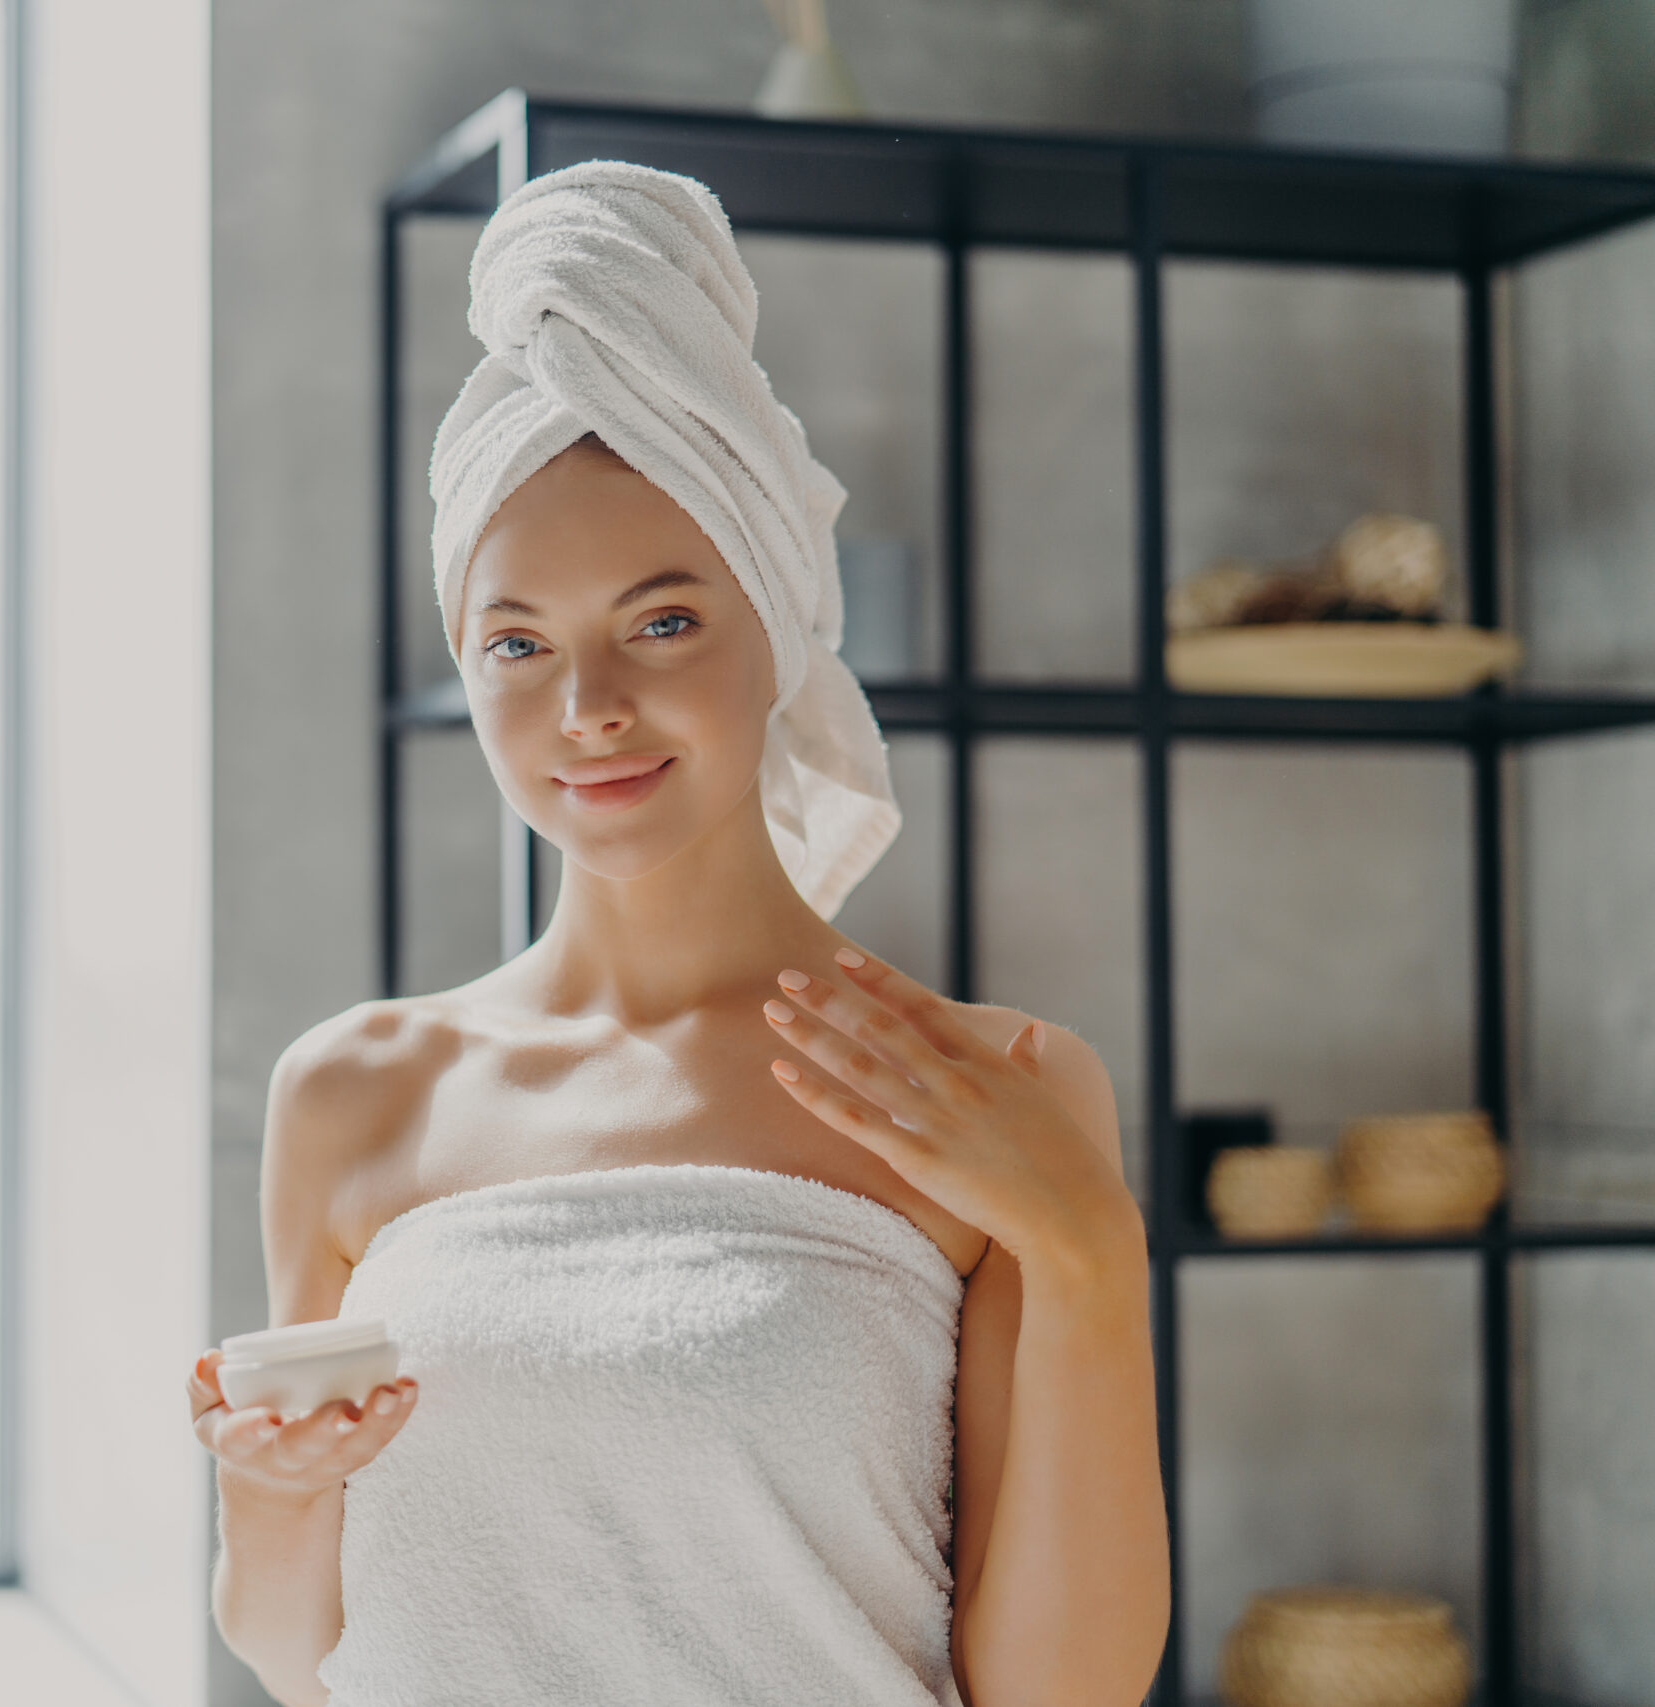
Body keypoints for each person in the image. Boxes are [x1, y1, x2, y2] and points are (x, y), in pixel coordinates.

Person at [190, 161, 1168, 1707]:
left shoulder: (989, 1086)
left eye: (663, 621)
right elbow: (295, 1653)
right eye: (517, 643)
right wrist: (277, 1489)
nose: (587, 709)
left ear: (776, 624)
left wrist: (1091, 1249)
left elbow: (1064, 1692)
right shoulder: (358, 1091)